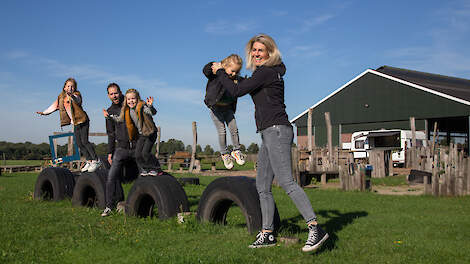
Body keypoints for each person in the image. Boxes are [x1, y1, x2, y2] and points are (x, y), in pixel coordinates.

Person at [212, 34, 329, 252]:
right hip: (268, 132)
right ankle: (267, 234)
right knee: (262, 186)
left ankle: (315, 228)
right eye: (254, 50)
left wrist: (220, 71)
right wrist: (229, 76)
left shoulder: (266, 72)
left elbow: (237, 90)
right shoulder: (263, 74)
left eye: (260, 50)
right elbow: (243, 85)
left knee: (286, 182)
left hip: (277, 130)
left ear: (269, 52)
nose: (256, 53)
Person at [36, 77, 101, 172]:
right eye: (68, 86)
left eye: (72, 86)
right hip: (75, 123)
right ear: (64, 88)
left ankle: (96, 160)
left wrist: (72, 96)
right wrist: (44, 112)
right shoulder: (61, 97)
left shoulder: (76, 95)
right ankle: (89, 160)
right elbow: (53, 106)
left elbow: (78, 100)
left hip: (83, 120)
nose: (70, 88)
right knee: (79, 143)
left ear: (75, 88)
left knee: (85, 141)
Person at [104, 88, 162, 178]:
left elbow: (152, 112)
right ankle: (146, 169)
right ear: (126, 100)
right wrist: (109, 117)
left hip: (150, 133)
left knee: (145, 153)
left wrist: (150, 106)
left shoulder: (142, 107)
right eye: (129, 99)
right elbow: (119, 119)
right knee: (138, 154)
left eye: (133, 99)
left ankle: (156, 168)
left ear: (137, 99)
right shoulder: (127, 110)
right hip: (142, 134)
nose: (131, 101)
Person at [203, 54, 246, 169]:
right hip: (216, 109)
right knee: (222, 131)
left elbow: (247, 84)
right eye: (232, 71)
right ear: (224, 66)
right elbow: (206, 71)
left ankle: (236, 151)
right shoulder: (216, 75)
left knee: (234, 129)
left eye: (236, 72)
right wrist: (215, 65)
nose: (234, 74)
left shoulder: (236, 79)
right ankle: (224, 153)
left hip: (228, 109)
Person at [100, 83, 135, 217]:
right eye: (111, 94)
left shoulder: (129, 104)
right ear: (108, 96)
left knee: (144, 173)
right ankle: (109, 206)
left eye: (116, 92)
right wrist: (110, 152)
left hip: (136, 146)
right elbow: (111, 134)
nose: (114, 95)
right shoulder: (109, 112)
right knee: (111, 176)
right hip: (121, 148)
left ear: (120, 92)